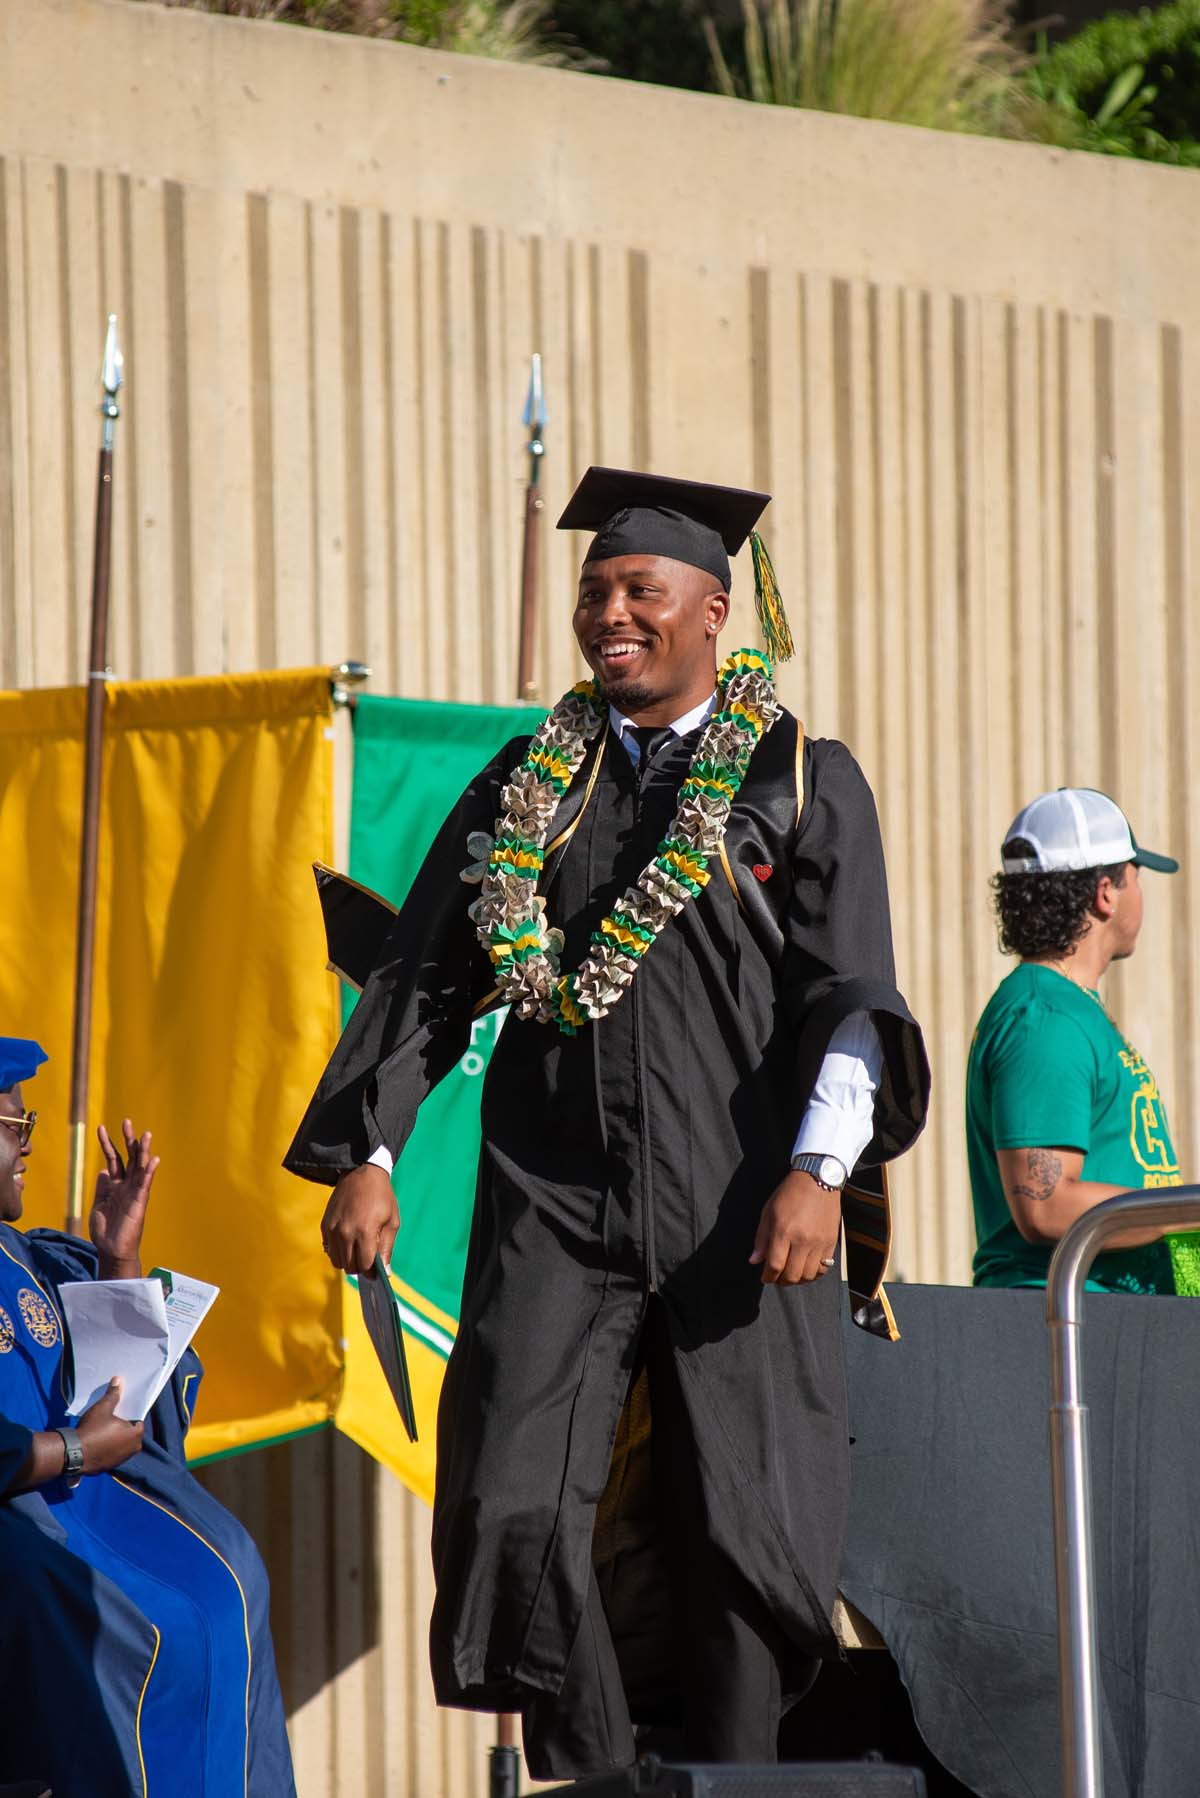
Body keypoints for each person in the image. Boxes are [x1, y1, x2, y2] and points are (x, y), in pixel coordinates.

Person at [286, 467, 929, 1779]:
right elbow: (425, 972)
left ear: (712, 612)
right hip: (555, 1188)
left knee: (742, 1518)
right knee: (507, 1491)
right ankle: (603, 1767)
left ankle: (741, 1774)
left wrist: (816, 1173)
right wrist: (371, 1150)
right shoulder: (533, 784)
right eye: (597, 592)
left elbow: (851, 993)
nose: (610, 613)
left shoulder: (795, 778)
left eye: (641, 590)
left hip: (740, 1198)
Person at [0, 1036, 295, 1797]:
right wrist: (69, 1450)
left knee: (230, 1571)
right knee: (124, 1627)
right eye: (13, 1129)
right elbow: (81, 1438)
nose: (26, 1147)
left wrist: (116, 1262)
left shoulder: (26, 1259)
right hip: (29, 1520)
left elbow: (126, 1400)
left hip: (93, 1495)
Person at [968, 787, 1189, 1295]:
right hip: (1067, 1330)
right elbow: (1044, 1204)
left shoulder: (1063, 1008)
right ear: (1106, 892)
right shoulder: (1044, 1019)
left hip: (1102, 1325)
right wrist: (1185, 1213)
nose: (1140, 892)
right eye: (1136, 875)